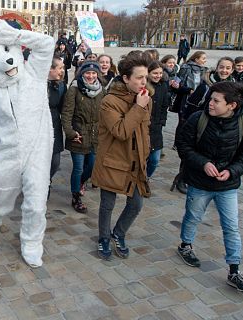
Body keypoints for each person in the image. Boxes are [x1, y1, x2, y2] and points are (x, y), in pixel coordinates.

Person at [176, 81, 243, 292]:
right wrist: (203, 163)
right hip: (200, 182)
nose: (210, 103)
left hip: (227, 184)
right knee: (193, 216)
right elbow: (184, 146)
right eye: (210, 98)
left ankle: (234, 270)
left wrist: (232, 171)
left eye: (216, 101)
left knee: (231, 226)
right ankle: (185, 245)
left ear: (232, 105)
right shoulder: (197, 119)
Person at [92, 55, 151, 260]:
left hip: (135, 163)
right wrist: (139, 107)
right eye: (139, 78)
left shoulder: (144, 97)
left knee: (136, 204)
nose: (144, 82)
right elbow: (121, 131)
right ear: (126, 78)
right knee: (107, 204)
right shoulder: (110, 101)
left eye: (146, 77)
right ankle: (103, 237)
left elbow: (144, 130)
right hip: (113, 162)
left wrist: (145, 154)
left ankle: (118, 233)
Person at [62, 61, 106, 213]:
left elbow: (105, 112)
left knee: (93, 166)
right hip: (79, 134)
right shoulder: (74, 89)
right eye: (88, 73)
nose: (91, 76)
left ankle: (80, 183)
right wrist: (70, 132)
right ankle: (76, 197)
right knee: (79, 167)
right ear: (82, 73)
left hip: (95, 134)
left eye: (94, 73)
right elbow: (67, 113)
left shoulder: (101, 90)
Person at [170, 51, 207, 193]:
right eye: (203, 58)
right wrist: (189, 90)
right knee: (184, 126)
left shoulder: (206, 72)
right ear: (196, 58)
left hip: (201, 104)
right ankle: (178, 143)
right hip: (186, 102)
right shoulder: (186, 68)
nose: (204, 61)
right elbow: (176, 85)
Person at [146, 61, 170, 178]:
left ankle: (146, 178)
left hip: (156, 127)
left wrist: (162, 121)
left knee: (155, 159)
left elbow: (165, 105)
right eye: (155, 73)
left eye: (160, 73)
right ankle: (140, 180)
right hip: (144, 126)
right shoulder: (143, 85)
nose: (158, 75)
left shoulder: (163, 86)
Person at [48, 56, 66, 192]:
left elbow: (64, 108)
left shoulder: (61, 86)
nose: (62, 71)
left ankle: (46, 180)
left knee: (55, 162)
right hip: (38, 127)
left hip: (54, 125)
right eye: (60, 68)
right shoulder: (36, 84)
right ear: (50, 69)